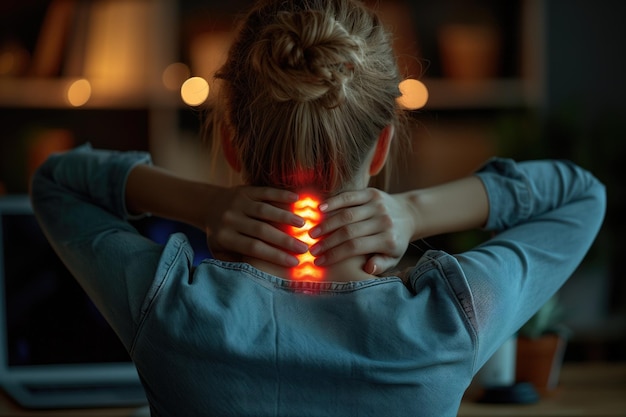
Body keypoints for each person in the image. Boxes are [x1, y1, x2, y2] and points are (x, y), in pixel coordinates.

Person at [30, 0, 606, 415]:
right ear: (382, 144)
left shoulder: (169, 308)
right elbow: (580, 195)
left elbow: (56, 183)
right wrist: (412, 213)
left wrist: (204, 204)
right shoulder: (452, 318)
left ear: (230, 140)